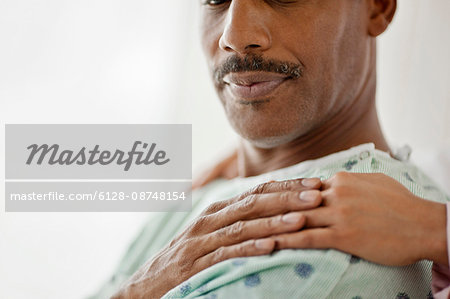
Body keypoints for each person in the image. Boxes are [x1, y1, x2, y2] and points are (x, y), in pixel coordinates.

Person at [90, 0, 450, 298]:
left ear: (377, 7)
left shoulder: (330, 248)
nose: (234, 36)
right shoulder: (203, 197)